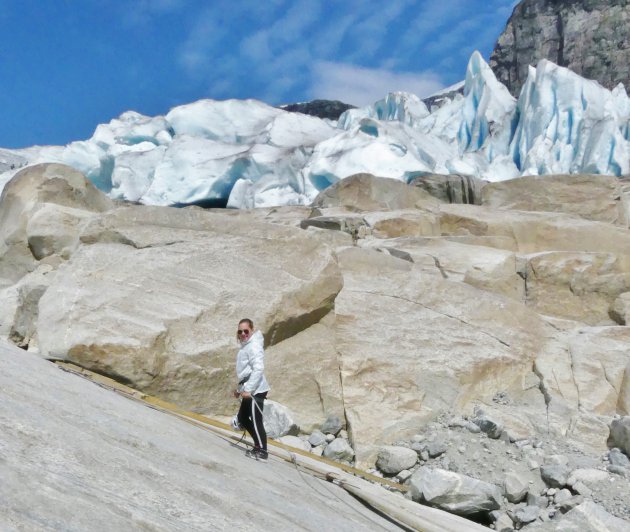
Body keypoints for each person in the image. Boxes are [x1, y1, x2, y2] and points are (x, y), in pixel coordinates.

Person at [233, 318, 270, 461]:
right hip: (248, 387)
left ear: (252, 330)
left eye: (246, 331)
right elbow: (246, 372)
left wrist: (248, 389)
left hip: (256, 389)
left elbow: (258, 368)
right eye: (240, 331)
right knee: (242, 418)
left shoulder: (253, 345)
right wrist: (239, 389)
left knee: (256, 420)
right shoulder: (246, 346)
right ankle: (258, 446)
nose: (243, 334)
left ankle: (262, 451)